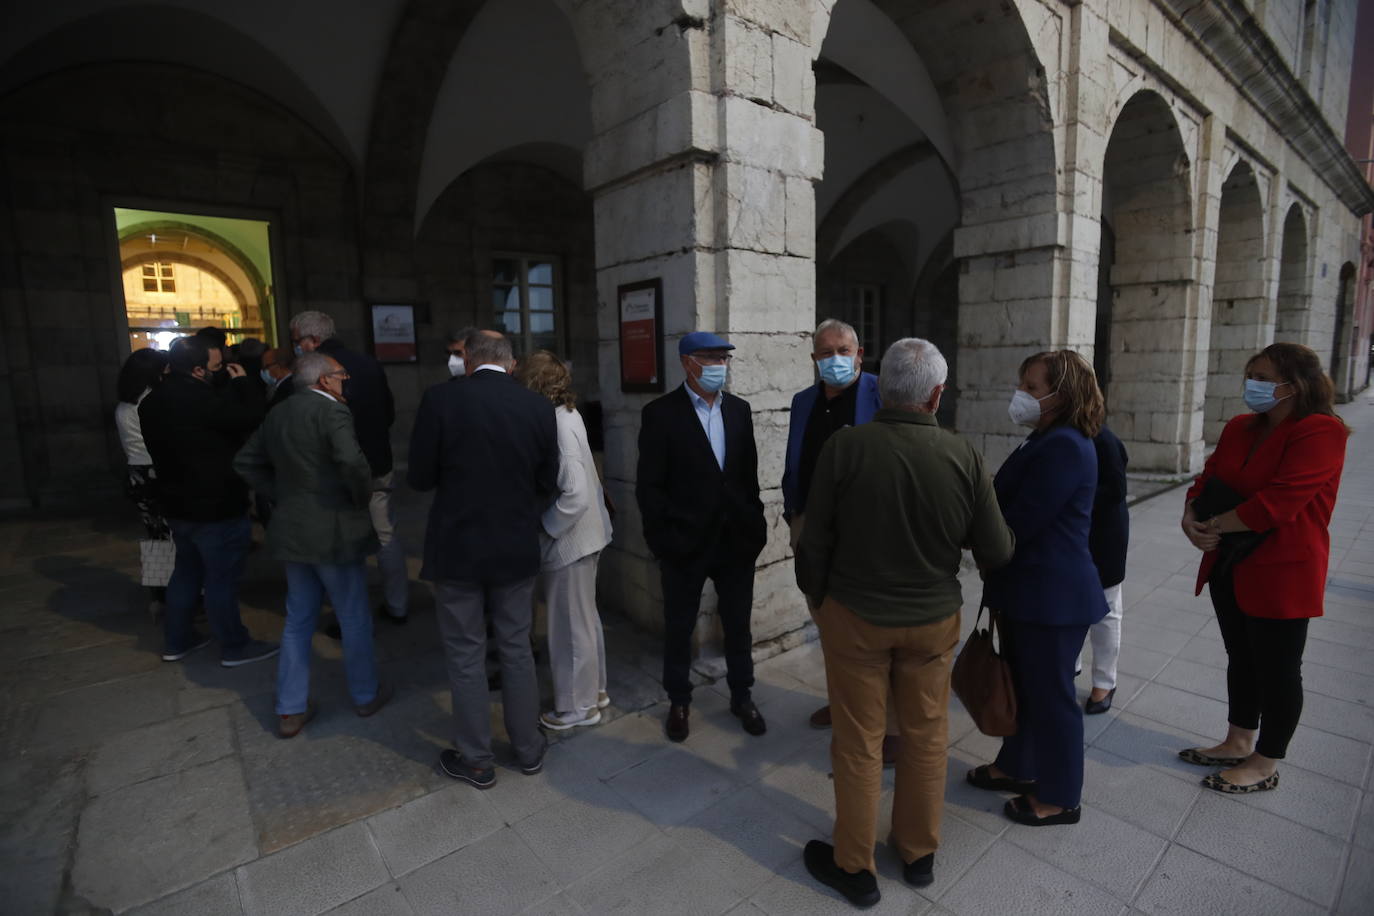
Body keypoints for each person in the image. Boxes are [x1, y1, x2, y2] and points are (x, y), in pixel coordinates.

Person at [796, 338, 1014, 907]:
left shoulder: (844, 448)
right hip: (931, 619)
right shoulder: (962, 455)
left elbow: (812, 542)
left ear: (881, 385)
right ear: (937, 394)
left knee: (859, 741)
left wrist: (818, 600)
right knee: (925, 736)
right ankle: (918, 854)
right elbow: (997, 549)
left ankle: (855, 866)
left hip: (855, 618)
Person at [1177, 342, 1348, 793]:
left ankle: (1265, 759)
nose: (1251, 386)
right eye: (1250, 375)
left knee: (1278, 666)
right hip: (1229, 560)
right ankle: (1238, 740)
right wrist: (1190, 516)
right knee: (1242, 656)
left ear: (1294, 386)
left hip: (1282, 569)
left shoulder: (1320, 431)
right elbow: (1208, 476)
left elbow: (1279, 504)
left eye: (1263, 378)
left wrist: (1213, 523)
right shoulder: (1240, 426)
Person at [408, 330, 558, 787]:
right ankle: (528, 748)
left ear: (468, 359)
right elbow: (549, 480)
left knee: (466, 652)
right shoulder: (535, 405)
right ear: (511, 363)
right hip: (514, 545)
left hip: (458, 546)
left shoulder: (439, 400)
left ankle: (476, 759)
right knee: (516, 647)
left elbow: (418, 477)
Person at [968, 349, 1108, 826]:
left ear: (1060, 394)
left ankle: (1061, 795)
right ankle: (1017, 766)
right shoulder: (1043, 438)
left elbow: (1021, 521)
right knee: (1025, 687)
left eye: (1031, 386)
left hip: (1053, 596)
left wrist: (973, 532)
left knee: (1051, 699)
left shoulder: (1066, 444)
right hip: (1030, 591)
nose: (1021, 394)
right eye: (1022, 383)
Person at [234, 352, 391, 737]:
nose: (345, 381)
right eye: (341, 375)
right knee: (353, 615)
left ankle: (290, 707)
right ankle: (364, 694)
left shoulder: (279, 412)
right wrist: (359, 496)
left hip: (294, 529)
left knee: (298, 619)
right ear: (323, 381)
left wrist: (282, 495)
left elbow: (245, 461)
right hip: (334, 529)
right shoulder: (332, 412)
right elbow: (352, 463)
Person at [636, 331, 769, 742]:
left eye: (723, 358)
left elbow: (747, 477)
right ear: (687, 362)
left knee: (738, 624)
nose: (718, 366)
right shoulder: (661, 413)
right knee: (679, 626)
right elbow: (649, 487)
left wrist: (755, 523)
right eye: (709, 358)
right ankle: (679, 699)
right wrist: (664, 541)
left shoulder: (740, 410)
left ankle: (742, 694)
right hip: (684, 544)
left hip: (735, 542)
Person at [782, 319, 895, 753]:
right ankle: (841, 699)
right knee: (826, 619)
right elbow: (796, 457)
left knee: (869, 626)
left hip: (864, 528)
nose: (834, 359)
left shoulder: (881, 394)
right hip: (810, 525)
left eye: (842, 350)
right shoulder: (802, 401)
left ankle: (884, 717)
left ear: (860, 354)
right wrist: (792, 511)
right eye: (825, 352)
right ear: (814, 359)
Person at [138, 336, 277, 667]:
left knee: (185, 573)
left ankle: (178, 640)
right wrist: (243, 382)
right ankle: (234, 645)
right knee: (221, 578)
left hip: (176, 502)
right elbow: (251, 417)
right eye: (215, 367)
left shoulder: (150, 401)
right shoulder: (203, 399)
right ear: (198, 370)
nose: (219, 372)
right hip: (216, 504)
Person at [291, 311, 409, 626]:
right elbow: (388, 412)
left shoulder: (311, 371)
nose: (296, 348)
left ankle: (352, 618)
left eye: (296, 341)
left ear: (311, 340)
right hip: (375, 463)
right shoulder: (368, 363)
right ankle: (398, 604)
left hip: (336, 471)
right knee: (385, 535)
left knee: (343, 544)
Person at [518, 350, 614, 729]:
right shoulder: (568, 413)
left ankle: (577, 708)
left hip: (572, 541)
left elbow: (573, 494)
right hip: (589, 534)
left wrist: (545, 527)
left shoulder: (556, 425)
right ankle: (595, 691)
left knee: (568, 629)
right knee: (585, 621)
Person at [115, 347, 172, 618]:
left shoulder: (125, 403)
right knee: (173, 535)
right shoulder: (152, 400)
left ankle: (158, 594)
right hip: (155, 470)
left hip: (136, 474)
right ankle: (180, 595)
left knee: (155, 538)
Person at [1080, 424, 1129, 714]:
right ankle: (1071, 667)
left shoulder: (1103, 438)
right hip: (1072, 537)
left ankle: (1104, 682)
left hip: (1104, 538)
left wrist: (1073, 494)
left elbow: (1115, 489)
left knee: (1106, 611)